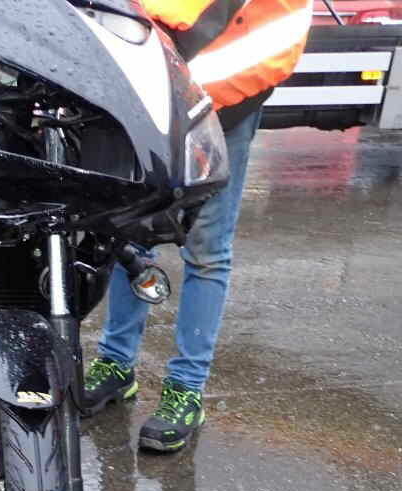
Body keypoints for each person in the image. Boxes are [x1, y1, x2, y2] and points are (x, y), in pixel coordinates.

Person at [83, 0, 314, 451]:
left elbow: (273, 25)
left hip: (224, 100)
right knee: (131, 236)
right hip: (146, 93)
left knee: (206, 250)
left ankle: (186, 389)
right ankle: (116, 364)